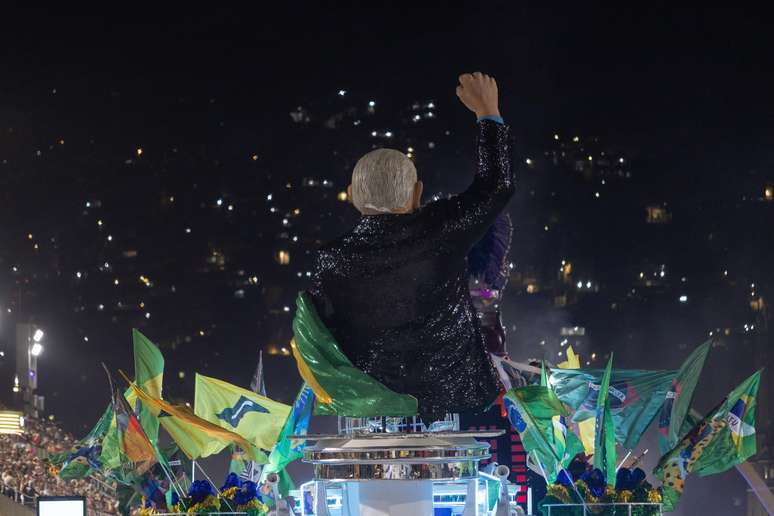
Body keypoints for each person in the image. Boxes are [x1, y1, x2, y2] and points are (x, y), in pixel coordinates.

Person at [309, 72, 514, 421]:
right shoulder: (440, 231)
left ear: (353, 196)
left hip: (373, 412)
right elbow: (496, 186)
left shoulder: (331, 260)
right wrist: (488, 113)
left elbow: (321, 338)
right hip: (457, 404)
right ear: (417, 193)